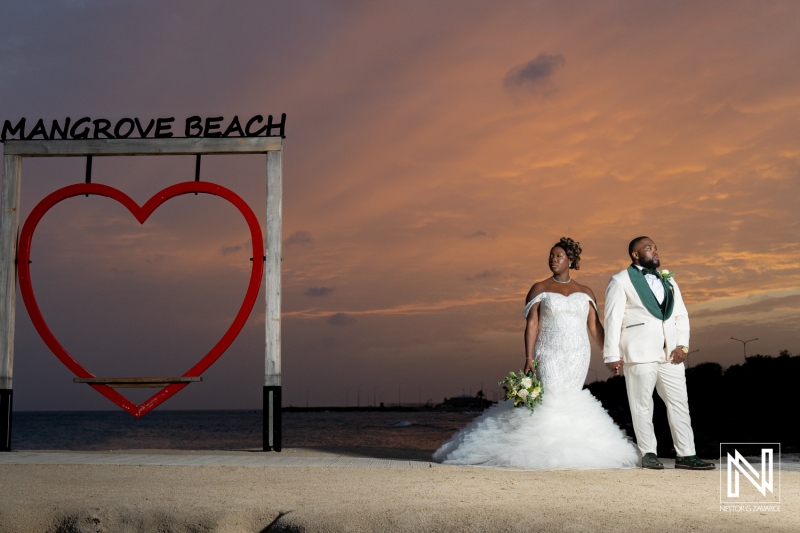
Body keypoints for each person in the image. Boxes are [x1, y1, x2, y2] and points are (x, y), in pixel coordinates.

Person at [433, 238, 638, 470]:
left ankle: (570, 451)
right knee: (549, 397)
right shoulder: (539, 288)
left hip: (578, 355)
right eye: (551, 256)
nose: (553, 260)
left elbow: (594, 327)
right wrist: (529, 358)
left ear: (570, 260)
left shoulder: (585, 291)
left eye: (558, 256)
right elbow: (532, 324)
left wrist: (610, 355)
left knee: (569, 400)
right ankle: (543, 453)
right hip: (549, 352)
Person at [603, 236, 714, 470]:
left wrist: (683, 345)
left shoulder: (669, 280)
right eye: (649, 248)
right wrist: (611, 355)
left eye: (656, 247)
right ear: (635, 254)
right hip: (639, 351)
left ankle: (686, 454)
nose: (655, 251)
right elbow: (613, 319)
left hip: (670, 354)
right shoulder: (620, 280)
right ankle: (648, 453)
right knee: (642, 405)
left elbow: (681, 314)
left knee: (679, 403)